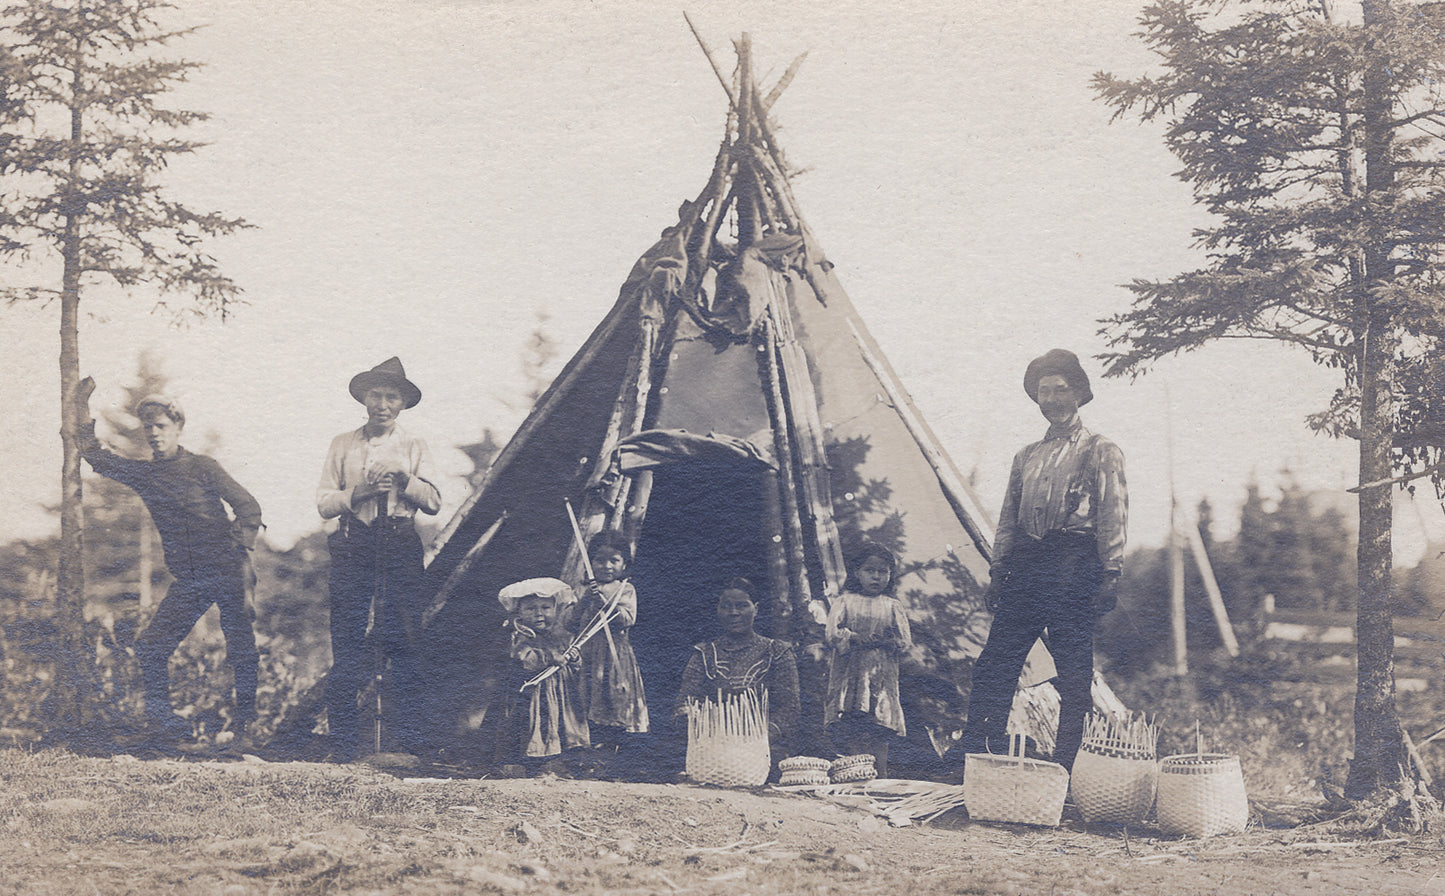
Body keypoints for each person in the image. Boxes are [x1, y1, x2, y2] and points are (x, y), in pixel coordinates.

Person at [959, 348, 1127, 770]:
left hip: (1074, 564)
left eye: (1059, 389)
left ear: (1080, 394)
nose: (1050, 399)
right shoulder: (1026, 456)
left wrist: (1111, 572)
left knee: (1073, 673)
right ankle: (981, 754)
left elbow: (1113, 513)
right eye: (1042, 392)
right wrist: (999, 570)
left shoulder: (1101, 450)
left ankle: (1068, 766)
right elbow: (1008, 520)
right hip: (1028, 564)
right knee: (995, 664)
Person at [77, 381, 263, 746]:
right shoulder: (145, 475)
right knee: (153, 646)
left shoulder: (203, 467)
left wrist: (237, 549)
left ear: (178, 428)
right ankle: (163, 727)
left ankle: (245, 731)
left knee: (241, 646)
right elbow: (96, 456)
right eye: (149, 427)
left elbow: (249, 507)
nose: (154, 434)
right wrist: (81, 409)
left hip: (228, 569)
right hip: (191, 579)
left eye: (161, 426)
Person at [316, 357, 441, 761]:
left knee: (405, 637)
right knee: (347, 640)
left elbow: (435, 502)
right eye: (375, 395)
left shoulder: (414, 445)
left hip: (399, 543)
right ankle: (344, 745)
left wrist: (405, 481)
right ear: (364, 398)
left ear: (402, 403)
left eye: (391, 396)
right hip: (355, 544)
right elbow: (323, 503)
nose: (382, 404)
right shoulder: (343, 443)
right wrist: (361, 493)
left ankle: (410, 743)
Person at [674, 578, 800, 764]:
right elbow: (685, 702)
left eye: (742, 606)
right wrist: (695, 723)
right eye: (726, 606)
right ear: (717, 610)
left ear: (755, 609)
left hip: (763, 750)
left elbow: (790, 710)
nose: (733, 613)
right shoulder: (704, 654)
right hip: (713, 750)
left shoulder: (777, 652)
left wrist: (755, 739)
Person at [824, 542, 912, 777]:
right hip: (852, 675)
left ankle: (880, 774)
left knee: (880, 725)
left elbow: (904, 641)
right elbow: (832, 633)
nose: (876, 577)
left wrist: (885, 642)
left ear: (890, 575)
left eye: (882, 571)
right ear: (857, 572)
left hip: (881, 677)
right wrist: (853, 637)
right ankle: (856, 772)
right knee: (854, 723)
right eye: (870, 571)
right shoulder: (845, 601)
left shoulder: (892, 605)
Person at [499, 577, 590, 773]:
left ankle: (556, 759)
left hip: (557, 694)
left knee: (556, 724)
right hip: (533, 694)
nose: (539, 613)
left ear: (555, 610)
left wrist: (573, 659)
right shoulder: (521, 636)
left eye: (545, 608)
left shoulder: (558, 636)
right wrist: (550, 657)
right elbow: (526, 660)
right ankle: (532, 762)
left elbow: (572, 668)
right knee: (534, 724)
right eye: (531, 609)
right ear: (520, 613)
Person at [573, 531, 649, 758]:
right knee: (585, 698)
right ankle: (586, 749)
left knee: (613, 698)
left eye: (614, 560)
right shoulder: (584, 589)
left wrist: (605, 603)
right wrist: (586, 599)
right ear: (590, 561)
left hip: (613, 655)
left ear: (624, 564)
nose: (606, 566)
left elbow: (627, 619)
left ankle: (611, 751)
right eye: (599, 560)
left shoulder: (625, 589)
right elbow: (570, 622)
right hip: (587, 653)